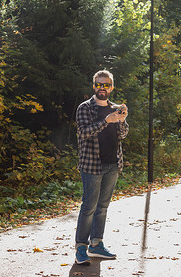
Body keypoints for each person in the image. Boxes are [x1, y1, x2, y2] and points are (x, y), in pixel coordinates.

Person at [74, 70, 129, 265]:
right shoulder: (85, 108)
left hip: (112, 164)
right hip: (91, 165)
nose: (102, 88)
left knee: (102, 207)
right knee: (89, 207)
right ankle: (81, 248)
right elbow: (84, 133)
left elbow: (122, 135)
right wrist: (106, 121)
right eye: (99, 84)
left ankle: (96, 245)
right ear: (94, 86)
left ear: (111, 87)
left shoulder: (114, 108)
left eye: (106, 85)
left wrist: (121, 120)